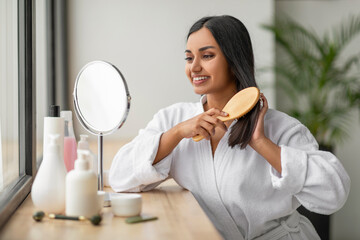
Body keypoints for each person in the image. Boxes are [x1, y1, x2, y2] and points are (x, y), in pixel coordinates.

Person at [109, 15, 350, 240]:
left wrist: (262, 143)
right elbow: (120, 177)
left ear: (234, 61)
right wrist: (177, 133)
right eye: (189, 57)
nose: (194, 67)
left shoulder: (280, 127)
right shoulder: (175, 118)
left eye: (207, 56)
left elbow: (334, 193)